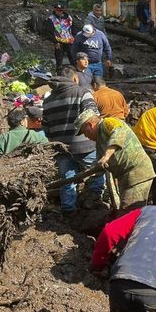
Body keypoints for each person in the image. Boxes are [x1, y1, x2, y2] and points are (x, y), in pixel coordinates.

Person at [43, 66, 105, 215]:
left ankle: (68, 211)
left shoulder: (48, 100)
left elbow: (46, 127)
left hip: (61, 147)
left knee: (67, 179)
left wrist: (55, 142)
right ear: (75, 78)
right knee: (98, 171)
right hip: (85, 145)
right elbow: (93, 116)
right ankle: (93, 202)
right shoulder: (82, 92)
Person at [75, 109, 156, 211]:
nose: (86, 136)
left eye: (85, 132)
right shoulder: (100, 142)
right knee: (129, 211)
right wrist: (84, 176)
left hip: (138, 173)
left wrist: (106, 156)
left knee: (128, 211)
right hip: (126, 178)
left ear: (90, 124)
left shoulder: (108, 122)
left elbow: (119, 132)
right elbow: (98, 166)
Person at [47, 4, 75, 74]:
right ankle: (59, 74)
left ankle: (76, 73)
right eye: (57, 10)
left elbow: (73, 28)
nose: (59, 12)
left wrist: (74, 37)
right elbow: (49, 32)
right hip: (59, 42)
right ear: (55, 10)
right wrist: (55, 42)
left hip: (69, 41)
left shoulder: (68, 18)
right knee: (59, 59)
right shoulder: (51, 19)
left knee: (72, 57)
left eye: (61, 10)